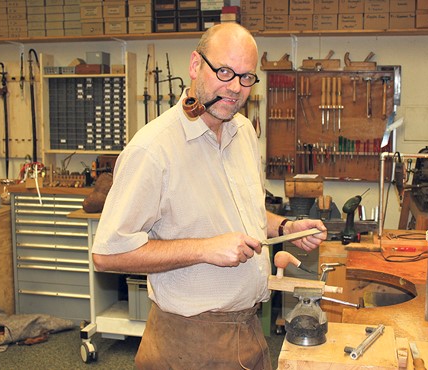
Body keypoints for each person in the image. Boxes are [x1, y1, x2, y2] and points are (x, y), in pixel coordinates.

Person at [92, 23, 327, 370]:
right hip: (187, 344)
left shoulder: (243, 132)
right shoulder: (152, 149)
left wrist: (286, 227)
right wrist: (205, 248)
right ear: (194, 66)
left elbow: (244, 212)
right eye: (225, 71)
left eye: (246, 77)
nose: (235, 88)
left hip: (248, 332)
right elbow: (107, 255)